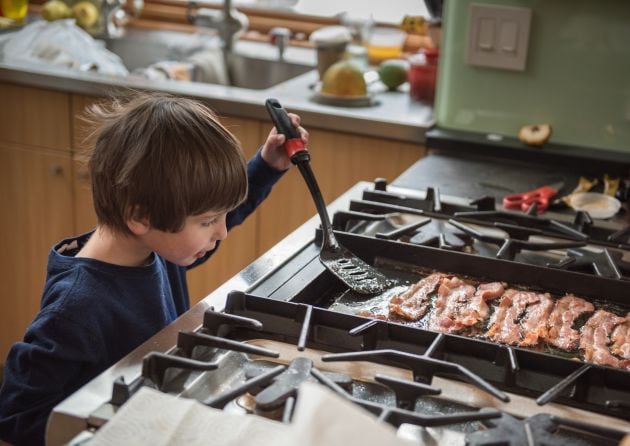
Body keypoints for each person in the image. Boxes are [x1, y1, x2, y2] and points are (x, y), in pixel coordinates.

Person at [0, 93, 308, 446]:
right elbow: (15, 416)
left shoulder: (154, 248)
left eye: (220, 217)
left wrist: (266, 167)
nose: (221, 231)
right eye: (208, 221)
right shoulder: (76, 309)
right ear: (141, 216)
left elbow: (202, 223)